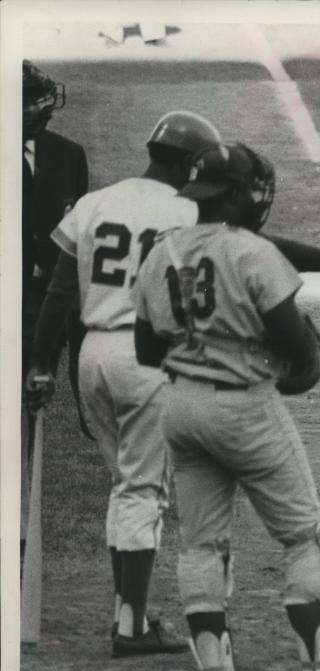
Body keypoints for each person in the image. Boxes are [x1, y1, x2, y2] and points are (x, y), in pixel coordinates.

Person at [25, 111, 320, 658]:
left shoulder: (95, 203)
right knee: (143, 491)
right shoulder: (188, 209)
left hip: (93, 357)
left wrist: (41, 364)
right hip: (147, 355)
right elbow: (265, 252)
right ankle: (131, 626)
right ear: (186, 162)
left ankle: (128, 612)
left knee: (125, 485)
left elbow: (60, 293)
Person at [131, 142, 320, 671]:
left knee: (201, 546)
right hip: (244, 410)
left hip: (180, 407)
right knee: (307, 538)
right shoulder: (253, 251)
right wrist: (267, 349)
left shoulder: (159, 252)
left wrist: (202, 342)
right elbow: (298, 353)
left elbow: (148, 349)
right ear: (241, 194)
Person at [21, 60, 91, 582]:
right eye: (31, 102)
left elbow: (80, 239)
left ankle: (21, 523)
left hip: (50, 307)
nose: (43, 110)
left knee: (31, 414)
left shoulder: (67, 156)